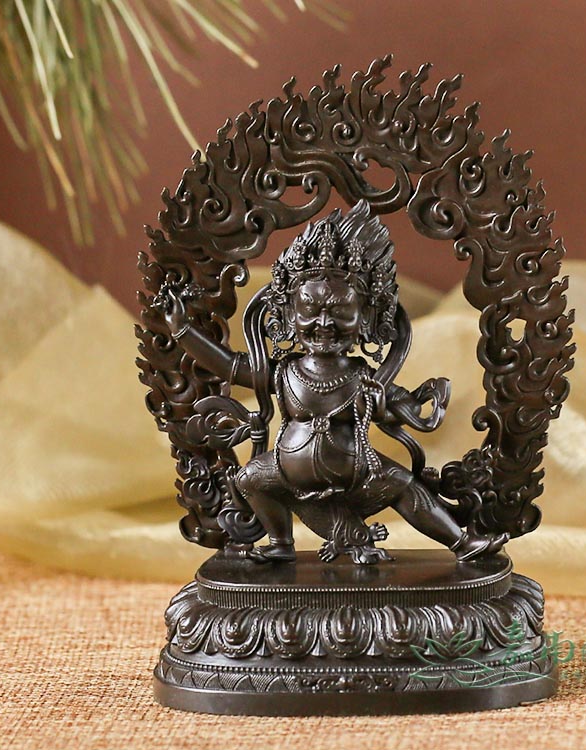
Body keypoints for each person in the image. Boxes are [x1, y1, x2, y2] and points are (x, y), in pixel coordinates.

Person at [161, 201, 507, 564]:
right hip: (285, 471)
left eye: (340, 312)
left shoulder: (362, 378)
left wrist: (407, 406)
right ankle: (280, 542)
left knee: (407, 486)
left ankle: (461, 542)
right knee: (248, 479)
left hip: (357, 474)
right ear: (288, 315)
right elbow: (229, 366)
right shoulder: (284, 372)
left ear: (366, 317)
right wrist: (182, 330)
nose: (324, 323)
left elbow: (405, 409)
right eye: (310, 310)